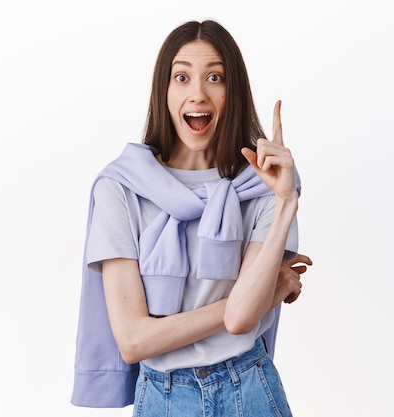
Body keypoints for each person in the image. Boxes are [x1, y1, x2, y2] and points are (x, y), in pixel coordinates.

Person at [71, 19, 313, 416]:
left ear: (232, 91)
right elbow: (132, 340)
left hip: (249, 389)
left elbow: (241, 322)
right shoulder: (120, 187)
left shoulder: (264, 186)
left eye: (214, 77)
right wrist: (261, 294)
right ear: (163, 91)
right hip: (163, 398)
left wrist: (287, 201)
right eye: (181, 77)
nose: (197, 93)